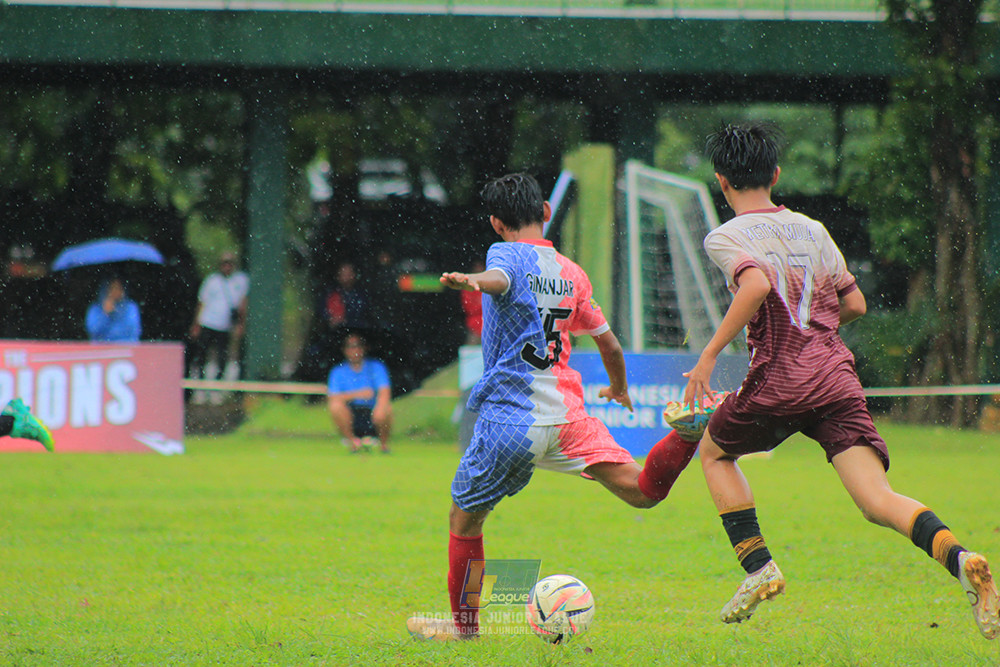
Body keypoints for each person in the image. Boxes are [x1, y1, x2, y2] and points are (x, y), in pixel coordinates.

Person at [682, 121, 999, 639]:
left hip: (780, 381)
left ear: (721, 182)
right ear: (777, 174)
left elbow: (757, 282)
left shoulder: (727, 235)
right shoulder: (812, 229)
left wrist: (709, 356)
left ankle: (758, 565)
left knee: (715, 452)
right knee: (877, 500)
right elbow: (854, 303)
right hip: (834, 378)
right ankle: (960, 559)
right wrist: (816, 333)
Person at [406, 173, 713, 641]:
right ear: (546, 214)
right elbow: (609, 344)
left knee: (464, 520)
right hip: (570, 417)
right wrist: (620, 389)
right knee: (641, 491)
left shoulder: (503, 253)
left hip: (510, 420)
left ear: (495, 223)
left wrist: (472, 280)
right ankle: (687, 435)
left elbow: (501, 279)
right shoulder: (572, 273)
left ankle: (464, 630)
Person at [187, 251, 249, 402]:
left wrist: (241, 324)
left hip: (225, 326)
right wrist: (196, 324)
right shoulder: (211, 281)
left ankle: (216, 389)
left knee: (222, 357)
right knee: (201, 356)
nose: (226, 266)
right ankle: (200, 388)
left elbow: (243, 304)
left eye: (229, 263)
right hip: (208, 323)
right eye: (224, 263)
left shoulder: (240, 280)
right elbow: (202, 302)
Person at [327, 332, 392, 454]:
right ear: (344, 350)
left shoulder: (376, 367)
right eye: (350, 347)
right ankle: (353, 443)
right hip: (352, 412)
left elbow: (384, 391)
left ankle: (383, 445)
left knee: (385, 408)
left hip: (371, 410)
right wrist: (358, 394)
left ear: (364, 348)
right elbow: (333, 397)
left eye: (358, 346)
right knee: (335, 407)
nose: (355, 350)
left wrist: (380, 407)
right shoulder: (338, 371)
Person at [85, 277, 141, 343]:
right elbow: (93, 331)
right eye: (112, 288)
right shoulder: (95, 308)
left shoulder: (130, 307)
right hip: (101, 348)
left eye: (118, 288)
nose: (115, 291)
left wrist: (118, 312)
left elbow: (133, 330)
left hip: (125, 346)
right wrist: (105, 314)